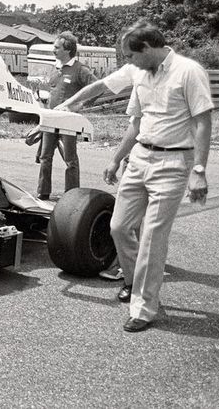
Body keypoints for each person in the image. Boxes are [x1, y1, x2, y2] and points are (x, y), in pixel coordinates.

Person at [104, 22, 212, 332]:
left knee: (152, 237)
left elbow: (203, 122)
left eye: (130, 56)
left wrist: (199, 171)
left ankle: (144, 307)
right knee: (119, 227)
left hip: (173, 161)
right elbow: (136, 123)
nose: (129, 62)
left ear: (147, 49)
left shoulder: (189, 71)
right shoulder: (141, 75)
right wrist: (116, 158)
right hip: (140, 157)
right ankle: (133, 280)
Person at [54, 62, 142, 281]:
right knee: (125, 219)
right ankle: (134, 261)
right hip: (141, 149)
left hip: (164, 154)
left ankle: (130, 268)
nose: (129, 59)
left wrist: (116, 159)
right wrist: (69, 103)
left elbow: (139, 124)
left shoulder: (169, 73)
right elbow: (101, 85)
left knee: (140, 218)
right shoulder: (136, 67)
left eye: (132, 53)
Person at [36, 31, 98, 200]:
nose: (53, 50)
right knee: (45, 156)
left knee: (70, 159)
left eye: (57, 47)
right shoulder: (55, 69)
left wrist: (81, 105)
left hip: (69, 122)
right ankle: (43, 192)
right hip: (51, 119)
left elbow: (98, 87)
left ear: (67, 49)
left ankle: (71, 194)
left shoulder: (80, 69)